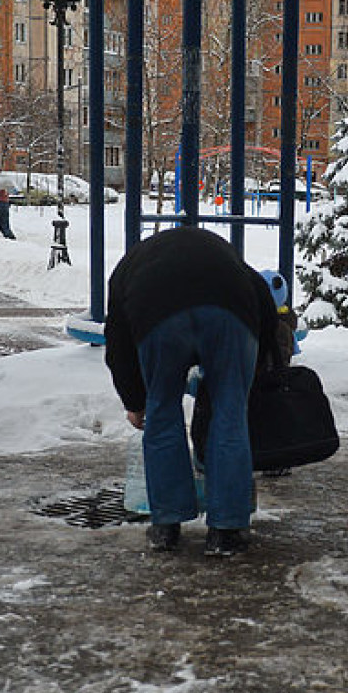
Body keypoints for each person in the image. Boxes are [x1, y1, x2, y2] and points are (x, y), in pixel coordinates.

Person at [105, 226, 279, 556]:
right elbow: (265, 307)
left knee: (161, 412)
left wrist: (135, 402)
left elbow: (118, 345)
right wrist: (263, 367)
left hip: (158, 316)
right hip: (230, 313)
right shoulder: (222, 254)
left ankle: (165, 527)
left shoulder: (130, 268)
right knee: (230, 416)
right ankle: (226, 532)